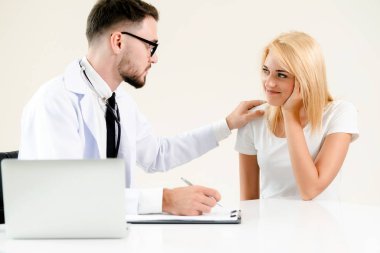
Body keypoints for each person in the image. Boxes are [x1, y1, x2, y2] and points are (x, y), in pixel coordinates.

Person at [18, 0, 264, 216]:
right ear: (118, 41)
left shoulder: (117, 101)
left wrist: (227, 125)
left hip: (107, 232)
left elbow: (157, 154)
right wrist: (165, 200)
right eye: (150, 46)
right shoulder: (55, 102)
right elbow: (68, 194)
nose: (154, 57)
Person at [235, 31, 359, 201]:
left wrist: (289, 113)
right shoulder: (253, 118)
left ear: (306, 79)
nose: (269, 83)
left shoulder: (339, 113)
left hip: (321, 226)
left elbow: (310, 190)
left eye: (281, 75)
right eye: (266, 71)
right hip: (269, 225)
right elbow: (248, 201)